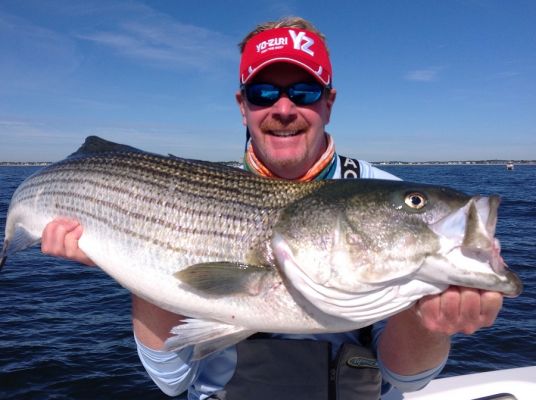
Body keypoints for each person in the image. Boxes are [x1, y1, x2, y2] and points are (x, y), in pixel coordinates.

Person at [41, 16, 503, 399]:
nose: (284, 108)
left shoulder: (384, 193)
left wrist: (429, 317)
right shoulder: (180, 192)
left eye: (303, 92)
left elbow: (408, 379)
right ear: (243, 106)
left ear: (329, 102)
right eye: (264, 93)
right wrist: (136, 250)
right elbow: (170, 379)